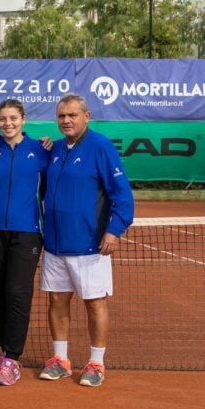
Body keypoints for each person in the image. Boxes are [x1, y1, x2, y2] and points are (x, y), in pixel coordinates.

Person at [39, 94, 134, 388]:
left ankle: (96, 362)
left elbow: (122, 194)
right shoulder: (53, 149)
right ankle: (60, 360)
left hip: (90, 244)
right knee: (57, 300)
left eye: (72, 115)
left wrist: (114, 230)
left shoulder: (101, 146)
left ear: (86, 116)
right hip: (54, 244)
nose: (66, 120)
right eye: (61, 116)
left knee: (94, 303)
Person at [0, 99, 49, 386]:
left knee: (17, 293)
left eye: (13, 118)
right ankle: (4, 350)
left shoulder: (42, 150)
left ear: (23, 119)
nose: (8, 123)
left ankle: (12, 358)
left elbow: (51, 190)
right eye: (2, 119)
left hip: (27, 232)